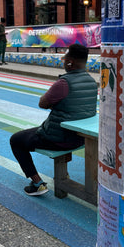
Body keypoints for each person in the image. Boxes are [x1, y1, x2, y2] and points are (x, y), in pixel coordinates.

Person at [10, 43, 98, 196]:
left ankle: (37, 184)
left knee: (16, 140)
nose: (64, 62)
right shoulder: (91, 81)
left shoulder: (64, 83)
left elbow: (42, 103)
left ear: (70, 62)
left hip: (59, 139)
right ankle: (62, 176)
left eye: (65, 59)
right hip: (81, 138)